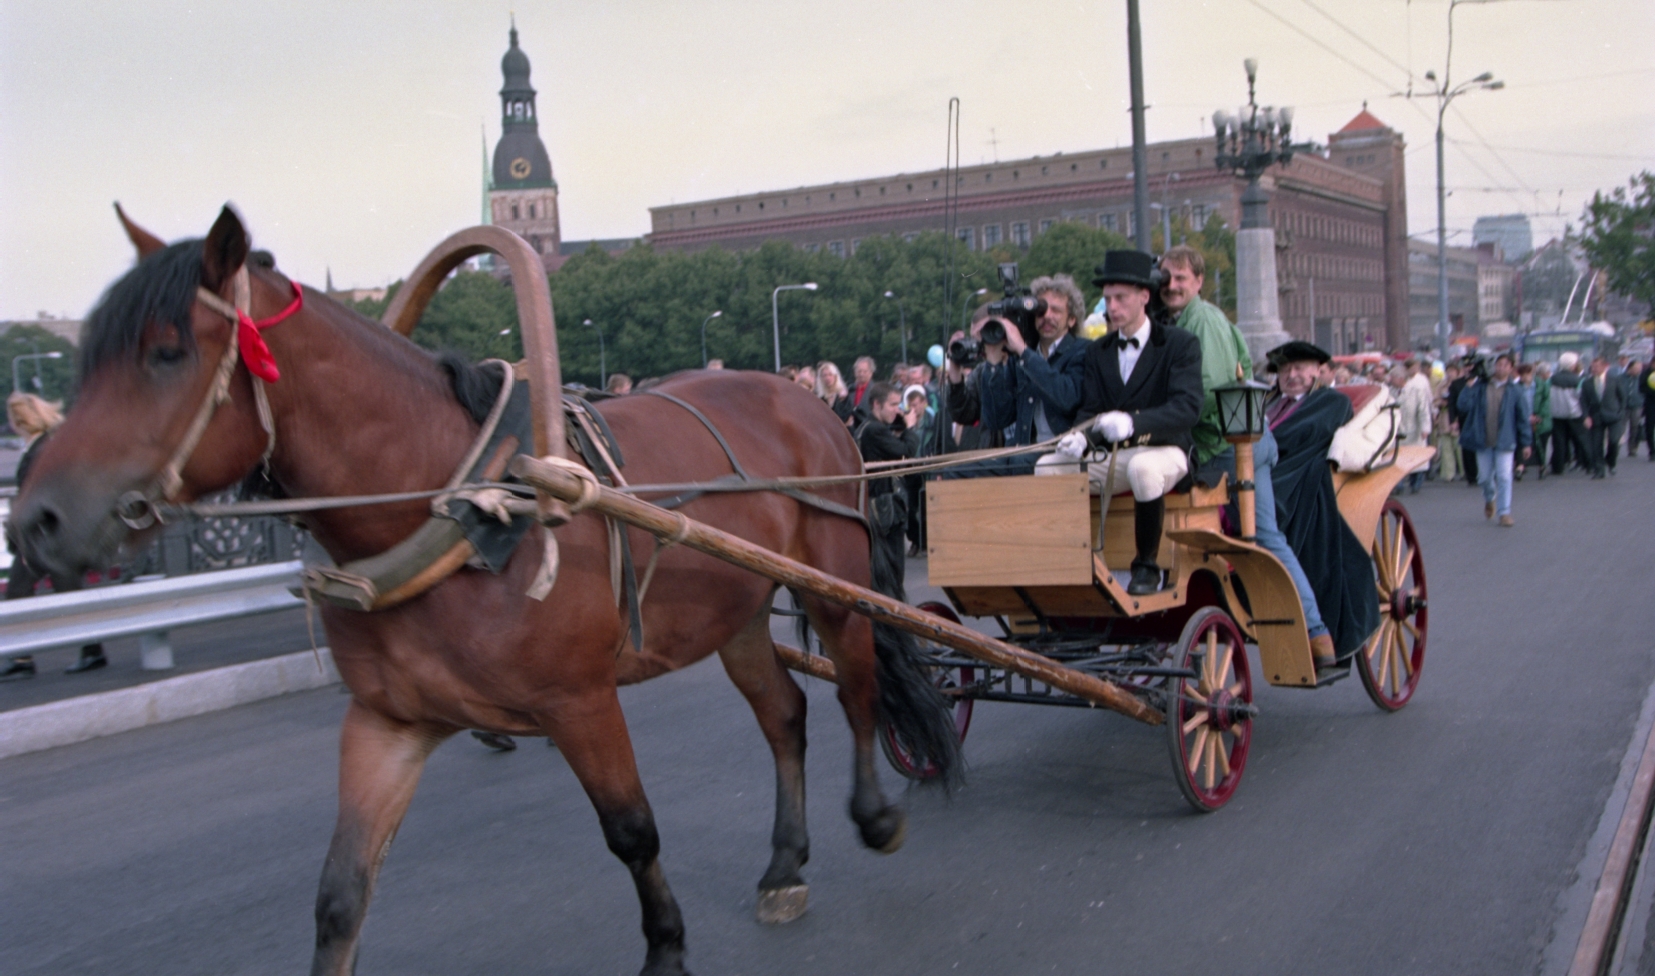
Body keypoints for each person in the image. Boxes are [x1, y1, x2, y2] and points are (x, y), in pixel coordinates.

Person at [1037, 250, 1203, 596]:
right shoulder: (1098, 351)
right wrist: (1080, 438)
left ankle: (1146, 567)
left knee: (1144, 468)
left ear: (1144, 296)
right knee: (1048, 467)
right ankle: (1071, 562)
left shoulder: (1179, 344)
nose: (1112, 306)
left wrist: (1133, 422)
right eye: (1108, 298)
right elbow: (1091, 410)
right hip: (1115, 456)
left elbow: (1187, 409)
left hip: (1167, 450)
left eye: (1120, 298)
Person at [1261, 341, 1381, 667]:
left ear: (1317, 370)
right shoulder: (1264, 403)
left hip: (1292, 476)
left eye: (1299, 368)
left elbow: (1307, 436)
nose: (1292, 375)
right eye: (1285, 370)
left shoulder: (1330, 402)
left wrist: (1261, 443)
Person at [2, 393, 108, 680]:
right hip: (52, 536)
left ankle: (23, 658)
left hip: (43, 538)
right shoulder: (46, 445)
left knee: (21, 593)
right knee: (64, 594)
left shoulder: (40, 450)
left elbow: (37, 495)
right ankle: (91, 651)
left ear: (18, 421)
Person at [969, 273, 1092, 476]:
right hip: (1023, 451)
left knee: (1017, 462)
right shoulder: (1023, 356)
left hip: (1063, 453)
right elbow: (997, 420)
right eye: (1041, 311)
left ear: (1071, 320)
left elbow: (1067, 398)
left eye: (1056, 311)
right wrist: (993, 363)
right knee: (955, 471)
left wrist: (1023, 351)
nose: (1047, 317)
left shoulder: (1083, 350)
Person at [857, 382, 917, 599]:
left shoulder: (865, 427)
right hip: (884, 509)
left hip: (877, 507)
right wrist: (910, 427)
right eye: (892, 405)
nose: (897, 410)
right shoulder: (875, 430)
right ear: (876, 404)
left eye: (899, 405)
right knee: (893, 570)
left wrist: (900, 426)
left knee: (883, 571)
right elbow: (906, 451)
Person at [1457, 354, 1532, 526]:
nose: (1501, 368)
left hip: (1505, 440)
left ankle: (1504, 512)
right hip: (1483, 440)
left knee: (1504, 476)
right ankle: (1490, 497)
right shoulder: (1481, 386)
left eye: (1505, 365)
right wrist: (1469, 386)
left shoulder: (1515, 390)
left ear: (1511, 368)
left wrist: (1526, 443)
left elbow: (1523, 418)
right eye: (1499, 364)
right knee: (1484, 478)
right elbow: (1463, 406)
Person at [1581, 355, 1626, 477]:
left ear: (1605, 366)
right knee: (1596, 445)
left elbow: (1622, 397)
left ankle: (1611, 461)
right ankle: (1599, 470)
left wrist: (1621, 412)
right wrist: (1586, 417)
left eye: (1596, 366)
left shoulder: (1614, 380)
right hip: (1596, 417)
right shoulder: (1587, 383)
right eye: (1592, 367)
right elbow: (1583, 402)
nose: (1594, 369)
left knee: (1614, 441)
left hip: (1613, 415)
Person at [1392, 362, 1433, 493]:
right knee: (1397, 459)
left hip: (1414, 428)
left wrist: (1425, 428)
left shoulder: (1416, 390)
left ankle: (1416, 483)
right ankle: (1398, 485)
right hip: (1397, 430)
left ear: (1400, 378)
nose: (1390, 380)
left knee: (1415, 458)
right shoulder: (1390, 391)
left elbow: (1423, 411)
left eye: (1392, 377)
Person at [1549, 352, 1591, 475]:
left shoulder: (1551, 379)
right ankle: (1589, 464)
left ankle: (1558, 467)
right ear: (1573, 365)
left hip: (1556, 414)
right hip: (1575, 414)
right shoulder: (1579, 380)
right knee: (1582, 439)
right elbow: (1581, 398)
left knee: (1559, 442)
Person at [1522, 362, 1552, 481]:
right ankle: (1520, 466)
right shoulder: (1518, 386)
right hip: (1524, 419)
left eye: (1528, 373)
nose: (1525, 377)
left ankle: (1542, 466)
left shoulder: (1541, 385)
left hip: (1539, 420)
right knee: (1524, 444)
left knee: (1540, 444)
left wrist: (1538, 415)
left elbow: (1546, 402)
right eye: (1523, 374)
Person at [1432, 363, 1462, 482]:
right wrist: (1441, 403)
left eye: (1453, 371)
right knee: (1446, 449)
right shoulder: (1442, 385)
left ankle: (1464, 471)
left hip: (1457, 418)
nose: (1450, 374)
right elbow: (1434, 401)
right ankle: (1449, 474)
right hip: (1444, 418)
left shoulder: (1461, 384)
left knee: (1459, 448)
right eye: (1448, 371)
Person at [1642, 358, 1655, 460]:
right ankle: (1652, 451)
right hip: (1650, 405)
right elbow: (1641, 387)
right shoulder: (1646, 373)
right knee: (1649, 429)